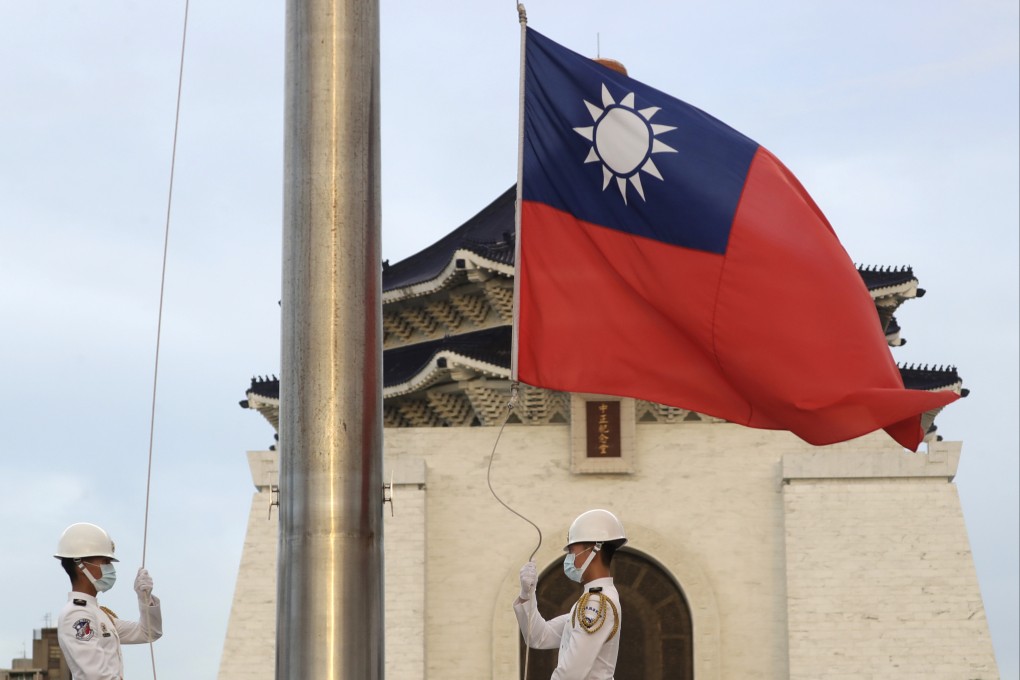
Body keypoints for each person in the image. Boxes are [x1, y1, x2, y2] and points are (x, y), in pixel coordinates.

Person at [514, 509, 626, 680]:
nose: (569, 558)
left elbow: (571, 674)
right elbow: (539, 636)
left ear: (593, 549)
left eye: (572, 550)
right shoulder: (590, 600)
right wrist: (526, 594)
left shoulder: (597, 602)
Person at [53, 522, 163, 680]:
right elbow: (97, 676)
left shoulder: (98, 614)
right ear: (80, 565)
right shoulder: (77, 615)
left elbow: (149, 633)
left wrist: (144, 598)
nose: (110, 568)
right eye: (105, 562)